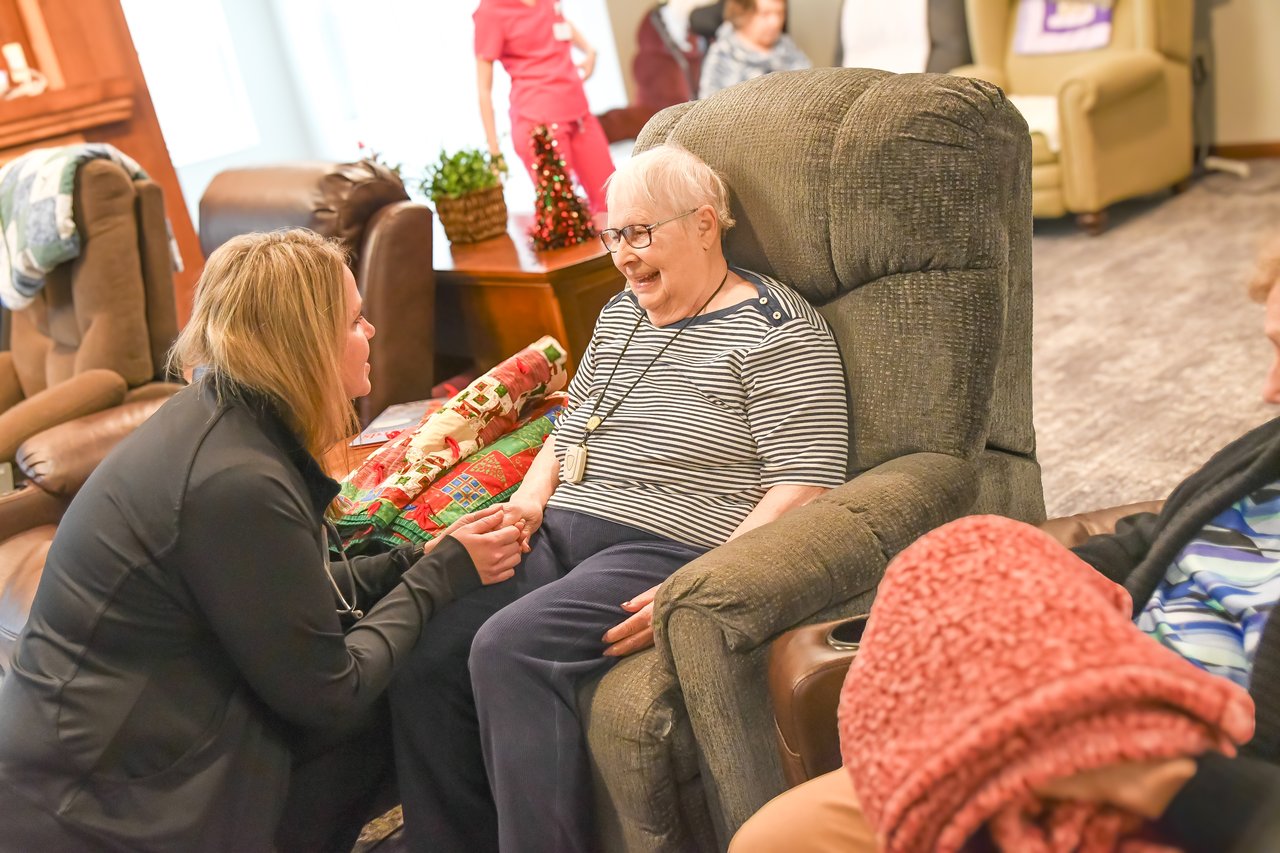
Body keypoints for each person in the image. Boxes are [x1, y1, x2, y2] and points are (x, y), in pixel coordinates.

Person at [730, 236, 1280, 852]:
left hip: (1188, 786)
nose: (1268, 390)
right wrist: (1016, 594)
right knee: (776, 838)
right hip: (1076, 705)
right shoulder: (1269, 451)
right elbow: (1150, 537)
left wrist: (1156, 769)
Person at [390, 144, 851, 853]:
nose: (624, 257)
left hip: (661, 545)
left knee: (508, 648)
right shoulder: (621, 315)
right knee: (425, 643)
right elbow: (572, 421)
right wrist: (529, 501)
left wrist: (701, 581)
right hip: (560, 526)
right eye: (615, 236)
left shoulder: (777, 331)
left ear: (704, 225)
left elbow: (807, 481)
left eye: (640, 233)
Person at [0, 230, 525, 852]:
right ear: (307, 346)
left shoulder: (223, 420)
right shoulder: (234, 481)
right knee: (418, 683)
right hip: (111, 800)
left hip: (123, 746)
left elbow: (292, 596)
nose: (372, 332)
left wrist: (421, 557)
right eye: (355, 320)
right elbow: (332, 692)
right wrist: (441, 577)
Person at [475, 0, 615, 214]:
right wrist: (494, 153)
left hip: (579, 113)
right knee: (566, 215)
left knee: (614, 201)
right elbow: (484, 90)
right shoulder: (492, 11)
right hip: (539, 126)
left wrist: (589, 50)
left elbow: (557, 19)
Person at [698, 0, 811, 100]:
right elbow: (708, 106)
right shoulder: (723, 53)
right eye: (765, 14)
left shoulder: (788, 48)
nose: (775, 22)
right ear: (743, 14)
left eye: (780, 13)